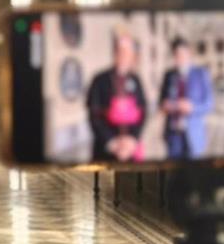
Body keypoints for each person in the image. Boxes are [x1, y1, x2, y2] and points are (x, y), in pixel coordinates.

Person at [86, 30, 148, 162]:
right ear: (115, 53)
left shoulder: (136, 79)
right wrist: (112, 143)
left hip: (131, 148)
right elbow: (94, 114)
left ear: (132, 56)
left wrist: (132, 140)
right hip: (106, 149)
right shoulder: (99, 80)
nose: (124, 56)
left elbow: (143, 111)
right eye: (121, 51)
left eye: (128, 52)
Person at [159, 36, 215, 159]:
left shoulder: (201, 74)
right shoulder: (169, 75)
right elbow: (161, 102)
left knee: (193, 170)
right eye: (176, 54)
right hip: (173, 136)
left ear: (189, 53)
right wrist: (166, 106)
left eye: (182, 54)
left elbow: (209, 104)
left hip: (193, 135)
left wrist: (192, 107)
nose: (180, 57)